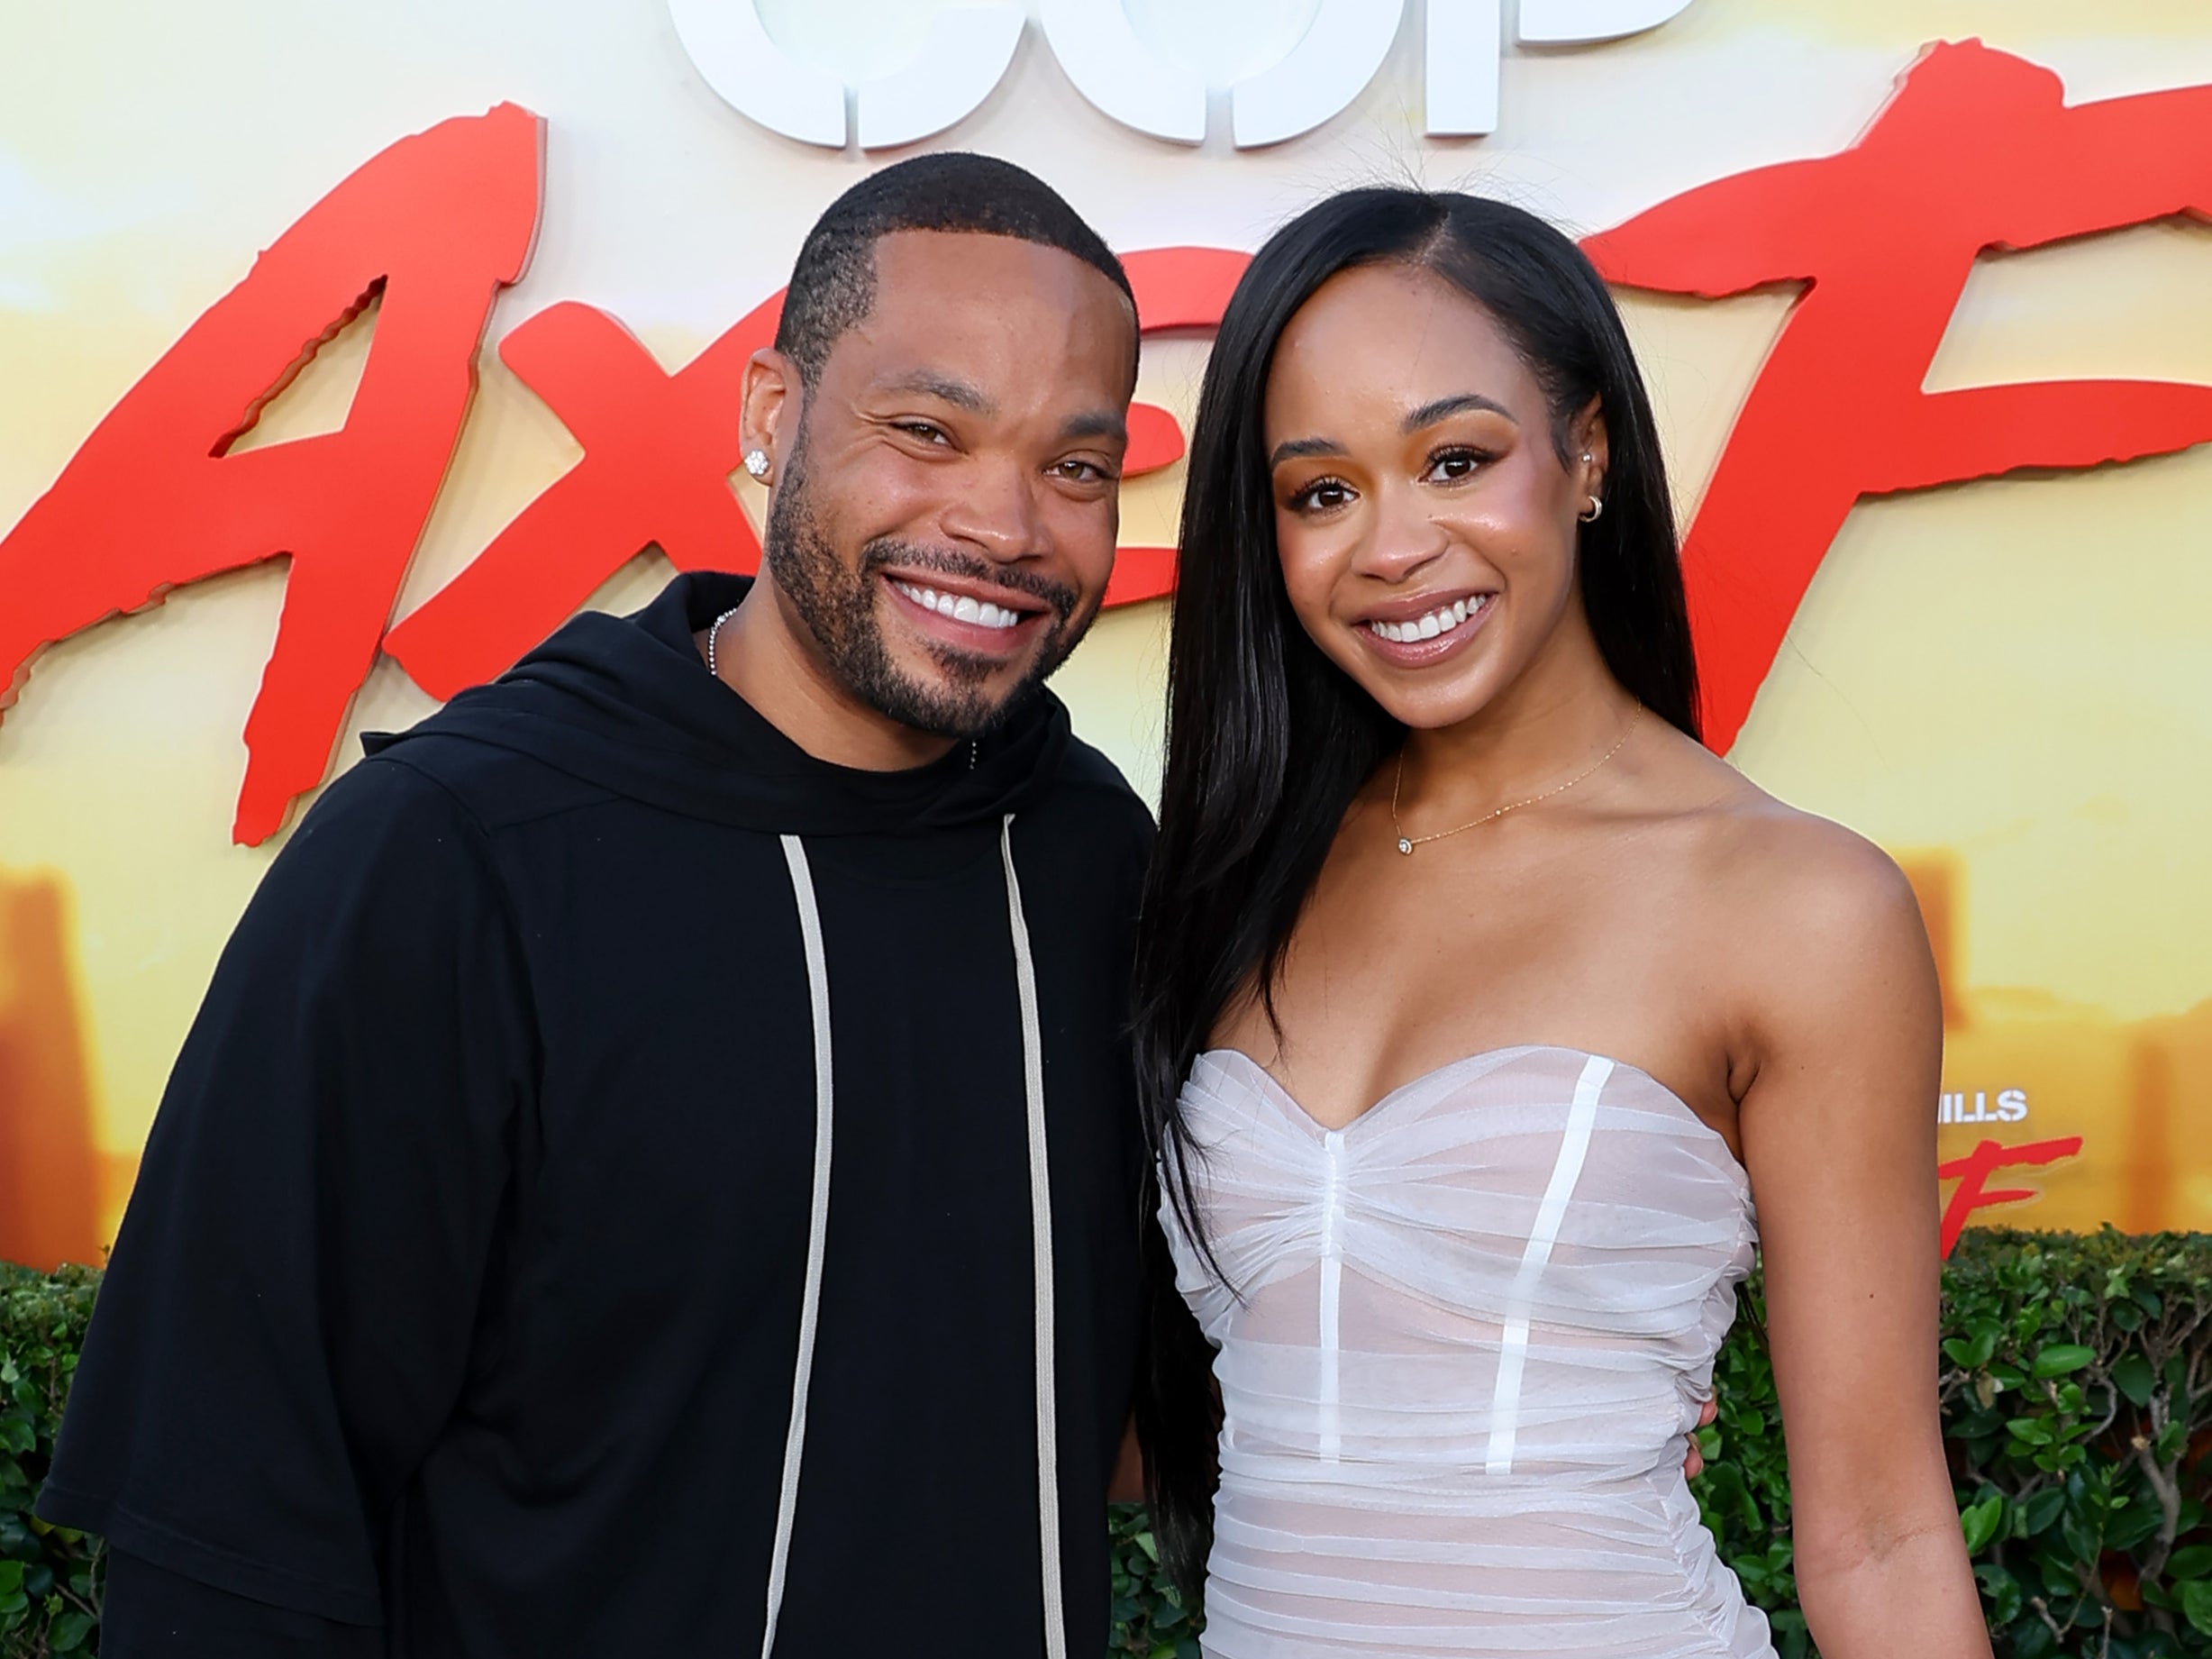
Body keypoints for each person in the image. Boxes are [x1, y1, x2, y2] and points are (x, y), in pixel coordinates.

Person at [40, 152, 1157, 1657]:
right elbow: (233, 1527)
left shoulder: (1093, 863)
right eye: (926, 429)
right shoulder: (455, 854)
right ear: (773, 414)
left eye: (1074, 466)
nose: (1007, 523)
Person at [1131, 189, 1990, 1657]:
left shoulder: (1798, 904)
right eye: (1321, 492)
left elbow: (1880, 1532)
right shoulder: (1229, 878)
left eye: (1455, 459)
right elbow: (1159, 1418)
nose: (1392, 546)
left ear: (1585, 452)